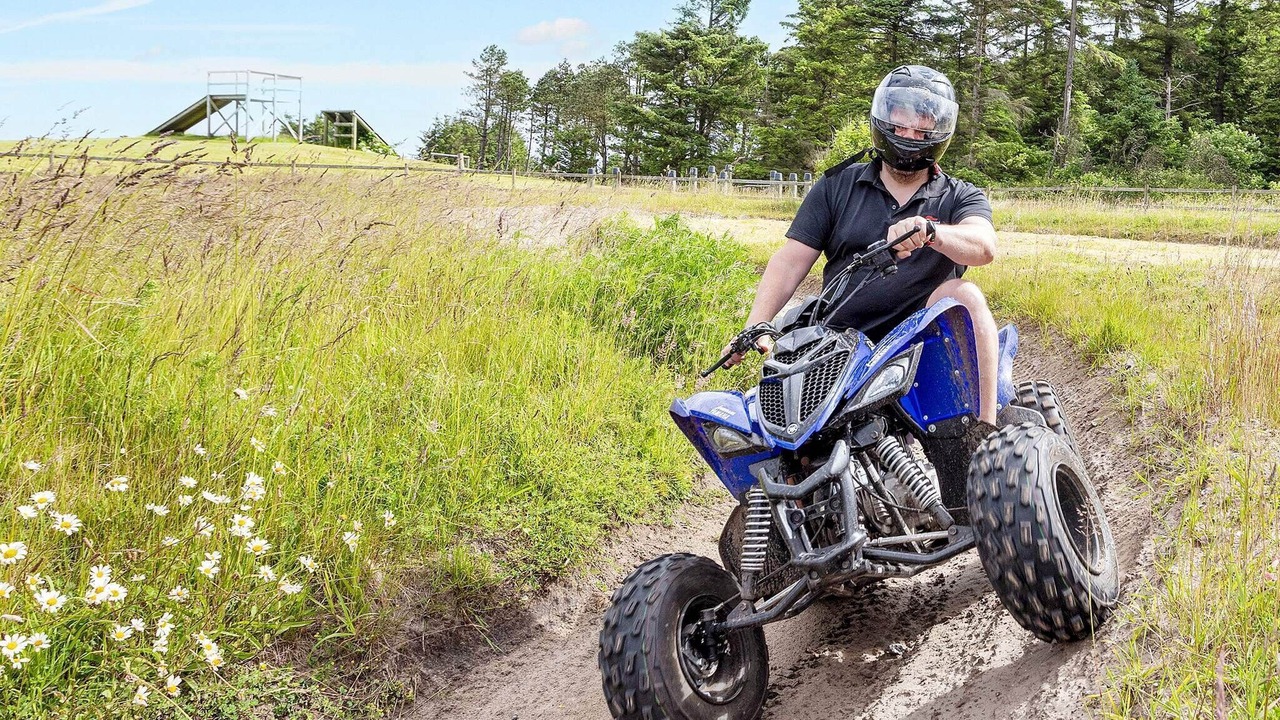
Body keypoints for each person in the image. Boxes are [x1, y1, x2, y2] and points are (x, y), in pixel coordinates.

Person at [724, 64, 1000, 424]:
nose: (908, 134)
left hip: (919, 340)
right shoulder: (837, 186)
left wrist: (932, 232)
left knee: (966, 295)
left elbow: (983, 245)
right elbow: (792, 259)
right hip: (836, 339)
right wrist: (756, 323)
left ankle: (984, 432)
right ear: (882, 120)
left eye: (920, 129)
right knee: (785, 443)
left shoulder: (961, 196)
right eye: (900, 124)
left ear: (937, 132)